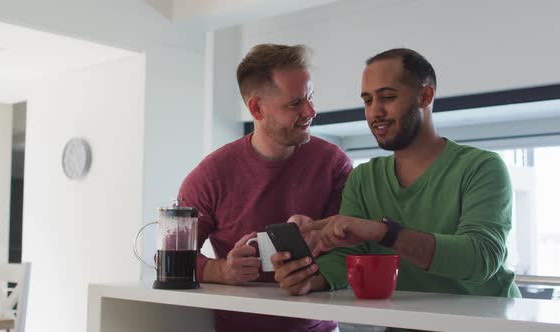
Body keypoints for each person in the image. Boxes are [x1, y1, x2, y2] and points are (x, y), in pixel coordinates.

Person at [272, 48, 520, 307]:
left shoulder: (481, 167)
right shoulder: (364, 179)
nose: (374, 111)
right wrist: (309, 277)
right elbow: (347, 256)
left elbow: (482, 257)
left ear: (425, 96)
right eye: (367, 101)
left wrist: (384, 232)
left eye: (387, 97)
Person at [178, 44, 352, 332]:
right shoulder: (211, 175)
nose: (311, 111)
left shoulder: (334, 163)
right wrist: (220, 270)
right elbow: (169, 257)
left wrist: (323, 236)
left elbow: (354, 250)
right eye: (295, 102)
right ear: (257, 108)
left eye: (310, 97)